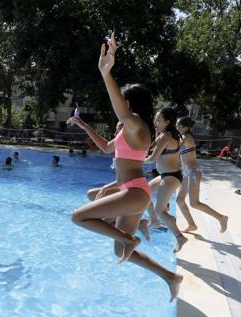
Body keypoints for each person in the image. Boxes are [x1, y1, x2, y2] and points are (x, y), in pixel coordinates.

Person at [68, 32, 182, 300]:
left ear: (131, 104)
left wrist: (106, 72)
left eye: (125, 101)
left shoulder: (138, 126)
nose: (122, 107)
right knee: (119, 251)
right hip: (132, 192)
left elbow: (121, 113)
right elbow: (107, 148)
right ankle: (171, 277)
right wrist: (84, 125)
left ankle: (133, 236)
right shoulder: (127, 131)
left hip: (133, 193)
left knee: (79, 216)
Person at [144, 107, 187, 252]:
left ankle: (180, 237)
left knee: (160, 210)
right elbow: (150, 149)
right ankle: (155, 221)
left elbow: (152, 158)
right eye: (155, 119)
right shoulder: (168, 135)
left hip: (170, 177)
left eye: (159, 120)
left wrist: (134, 160)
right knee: (145, 193)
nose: (155, 122)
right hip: (167, 175)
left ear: (167, 122)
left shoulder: (166, 136)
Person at [176, 117, 228, 233]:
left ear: (185, 128)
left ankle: (221, 218)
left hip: (193, 172)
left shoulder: (186, 137)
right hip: (186, 173)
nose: (176, 127)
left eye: (178, 125)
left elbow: (174, 148)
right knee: (179, 200)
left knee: (194, 203)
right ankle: (192, 225)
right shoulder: (182, 137)